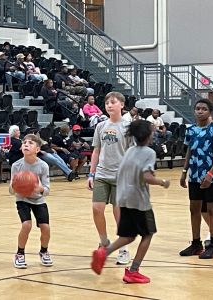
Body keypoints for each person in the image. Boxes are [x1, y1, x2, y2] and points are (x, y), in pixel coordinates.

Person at [91, 119, 170, 283]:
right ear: (148, 135)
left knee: (128, 236)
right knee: (148, 234)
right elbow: (146, 176)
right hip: (139, 201)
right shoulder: (149, 152)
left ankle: (104, 253)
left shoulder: (130, 150)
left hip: (124, 198)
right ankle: (133, 271)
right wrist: (162, 182)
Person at [87, 91, 133, 265]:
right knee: (97, 208)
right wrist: (91, 173)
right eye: (107, 103)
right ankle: (104, 241)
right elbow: (96, 151)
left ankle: (123, 248)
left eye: (113, 102)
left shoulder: (129, 127)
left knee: (119, 213)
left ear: (122, 104)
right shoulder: (101, 126)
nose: (109, 105)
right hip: (102, 174)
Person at [179, 99, 213, 259]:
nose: (200, 111)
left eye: (204, 109)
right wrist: (184, 171)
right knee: (194, 209)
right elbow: (189, 149)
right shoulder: (191, 129)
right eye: (197, 108)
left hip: (210, 176)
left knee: (212, 209)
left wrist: (211, 174)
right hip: (194, 176)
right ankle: (196, 243)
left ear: (210, 112)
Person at [10, 134, 52, 269]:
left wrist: (40, 189)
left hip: (38, 199)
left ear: (37, 149)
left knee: (45, 228)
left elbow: (47, 190)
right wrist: (16, 185)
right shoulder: (16, 166)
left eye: (30, 143)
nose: (26, 145)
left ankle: (44, 251)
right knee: (26, 225)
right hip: (22, 199)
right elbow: (11, 191)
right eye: (24, 143)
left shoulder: (43, 166)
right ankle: (20, 254)